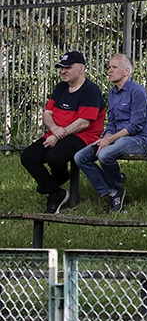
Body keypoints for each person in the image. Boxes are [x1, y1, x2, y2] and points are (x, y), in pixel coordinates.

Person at [21, 51, 106, 213]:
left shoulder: (91, 90)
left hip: (83, 136)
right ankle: (56, 192)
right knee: (28, 157)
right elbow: (47, 114)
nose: (63, 71)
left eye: (68, 67)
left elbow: (83, 123)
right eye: (61, 68)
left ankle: (57, 180)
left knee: (54, 157)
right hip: (57, 133)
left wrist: (59, 135)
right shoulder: (60, 88)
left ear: (81, 69)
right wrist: (54, 129)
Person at [73, 54, 147, 211]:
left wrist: (111, 140)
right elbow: (111, 122)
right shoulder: (112, 93)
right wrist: (107, 137)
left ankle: (116, 182)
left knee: (104, 154)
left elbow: (135, 126)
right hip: (116, 139)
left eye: (114, 67)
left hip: (138, 140)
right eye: (109, 67)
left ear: (126, 71)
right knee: (80, 157)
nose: (109, 71)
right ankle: (112, 191)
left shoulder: (138, 92)